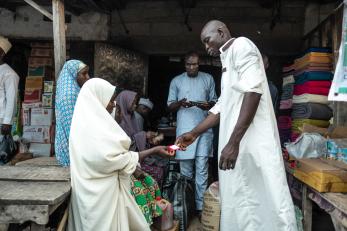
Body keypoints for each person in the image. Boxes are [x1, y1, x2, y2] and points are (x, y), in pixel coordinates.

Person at [176, 20, 297, 231]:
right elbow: (224, 105)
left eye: (207, 40)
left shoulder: (241, 46)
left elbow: (253, 90)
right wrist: (194, 133)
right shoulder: (227, 59)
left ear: (221, 32)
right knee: (243, 200)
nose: (206, 47)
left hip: (252, 143)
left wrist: (233, 142)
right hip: (241, 146)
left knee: (265, 198)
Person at [68, 78, 173, 231]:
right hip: (97, 194)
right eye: (110, 101)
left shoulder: (90, 125)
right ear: (97, 101)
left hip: (101, 191)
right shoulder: (90, 130)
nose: (113, 105)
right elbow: (108, 159)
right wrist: (152, 151)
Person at [167, 51, 217, 216]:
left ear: (199, 63)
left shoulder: (208, 79)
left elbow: (215, 103)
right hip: (184, 130)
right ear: (184, 64)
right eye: (188, 64)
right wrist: (180, 103)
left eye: (194, 64)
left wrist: (206, 105)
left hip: (204, 129)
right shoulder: (176, 81)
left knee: (202, 168)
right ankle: (186, 206)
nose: (191, 67)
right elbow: (170, 106)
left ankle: (200, 208)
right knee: (185, 170)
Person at [55, 60, 90, 166]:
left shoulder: (74, 90)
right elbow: (72, 129)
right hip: (71, 153)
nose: (88, 77)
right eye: (84, 74)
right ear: (73, 74)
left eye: (88, 73)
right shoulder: (69, 95)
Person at [0, 36, 19, 136]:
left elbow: (12, 99)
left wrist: (7, 122)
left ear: (2, 53)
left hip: (1, 120)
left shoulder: (9, 74)